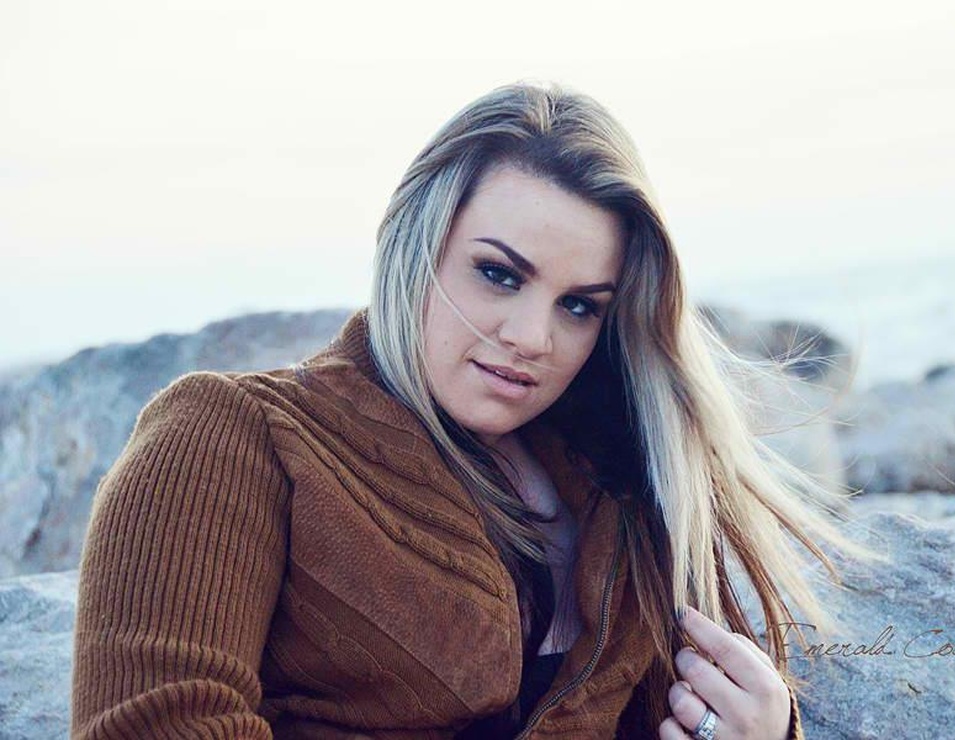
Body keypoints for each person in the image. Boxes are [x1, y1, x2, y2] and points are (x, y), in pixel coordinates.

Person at [71, 81, 852, 739]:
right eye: (499, 274)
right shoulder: (230, 432)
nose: (532, 338)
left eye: (579, 305)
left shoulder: (629, 484)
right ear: (415, 245)